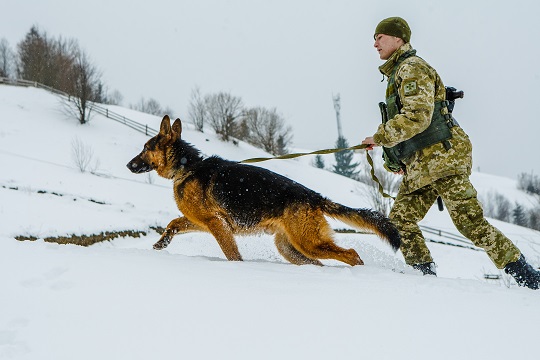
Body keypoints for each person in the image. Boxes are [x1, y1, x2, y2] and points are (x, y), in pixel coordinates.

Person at [361, 16, 540, 289]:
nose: (375, 43)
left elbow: (417, 117)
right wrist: (396, 157)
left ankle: (529, 278)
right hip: (423, 164)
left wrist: (380, 136)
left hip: (444, 159)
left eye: (380, 37)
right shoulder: (398, 72)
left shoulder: (412, 68)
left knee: (470, 224)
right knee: (399, 222)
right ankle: (424, 278)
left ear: (398, 39)